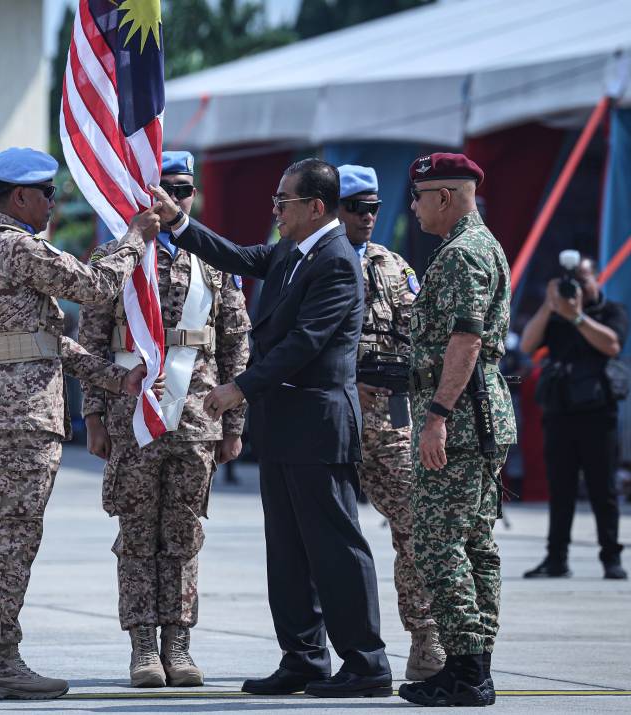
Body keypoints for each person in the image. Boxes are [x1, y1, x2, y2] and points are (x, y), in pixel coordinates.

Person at [153, 158, 392, 699]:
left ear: (315, 207)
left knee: (334, 547)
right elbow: (240, 257)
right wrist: (178, 224)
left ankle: (365, 662)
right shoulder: (294, 250)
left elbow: (303, 342)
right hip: (285, 424)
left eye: (284, 201)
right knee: (287, 549)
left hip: (318, 423)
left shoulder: (335, 261)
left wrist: (239, 387)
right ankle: (304, 657)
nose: (276, 209)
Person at [0, 147, 160, 700]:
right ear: (20, 196)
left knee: (2, 531)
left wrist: (111, 376)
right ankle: (0, 660)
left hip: (8, 410)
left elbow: (45, 342)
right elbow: (96, 286)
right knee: (12, 535)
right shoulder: (16, 247)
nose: (54, 202)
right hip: (21, 413)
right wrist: (136, 239)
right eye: (47, 193)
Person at [78, 151, 251, 689]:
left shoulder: (212, 259)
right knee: (136, 533)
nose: (174, 200)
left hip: (198, 412)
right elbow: (91, 341)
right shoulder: (119, 255)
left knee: (183, 533)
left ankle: (178, 642)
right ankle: (142, 648)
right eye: (165, 189)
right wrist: (93, 415)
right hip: (133, 411)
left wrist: (235, 422)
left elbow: (235, 342)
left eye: (183, 190)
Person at [398, 153, 516, 707]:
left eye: (419, 197)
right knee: (474, 544)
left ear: (443, 196)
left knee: (437, 543)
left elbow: (465, 341)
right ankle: (476, 668)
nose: (414, 209)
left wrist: (437, 417)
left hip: (461, 418)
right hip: (479, 414)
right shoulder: (480, 246)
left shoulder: (463, 255)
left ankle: (466, 670)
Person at [337, 164, 444, 680]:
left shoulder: (392, 265)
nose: (368, 218)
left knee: (413, 528)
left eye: (375, 208)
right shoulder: (309, 262)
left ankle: (425, 641)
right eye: (358, 208)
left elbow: (419, 332)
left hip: (390, 419)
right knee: (330, 536)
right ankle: (325, 650)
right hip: (333, 413)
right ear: (332, 208)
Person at [519, 255, 628, 580]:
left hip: (598, 414)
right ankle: (556, 558)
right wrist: (549, 307)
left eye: (583, 279)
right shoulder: (556, 314)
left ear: (596, 279)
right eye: (571, 281)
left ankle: (611, 557)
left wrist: (577, 316)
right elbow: (527, 344)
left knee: (602, 489)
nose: (576, 287)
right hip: (560, 412)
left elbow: (612, 345)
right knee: (560, 488)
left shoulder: (611, 312)